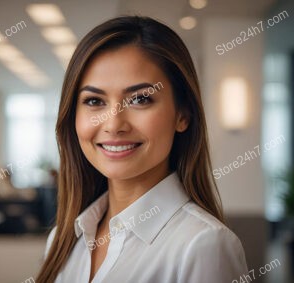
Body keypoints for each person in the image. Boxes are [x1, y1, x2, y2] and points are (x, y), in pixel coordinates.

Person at [37, 16, 248, 283]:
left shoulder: (204, 246)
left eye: (140, 99)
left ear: (182, 114)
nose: (113, 124)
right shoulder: (63, 240)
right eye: (94, 101)